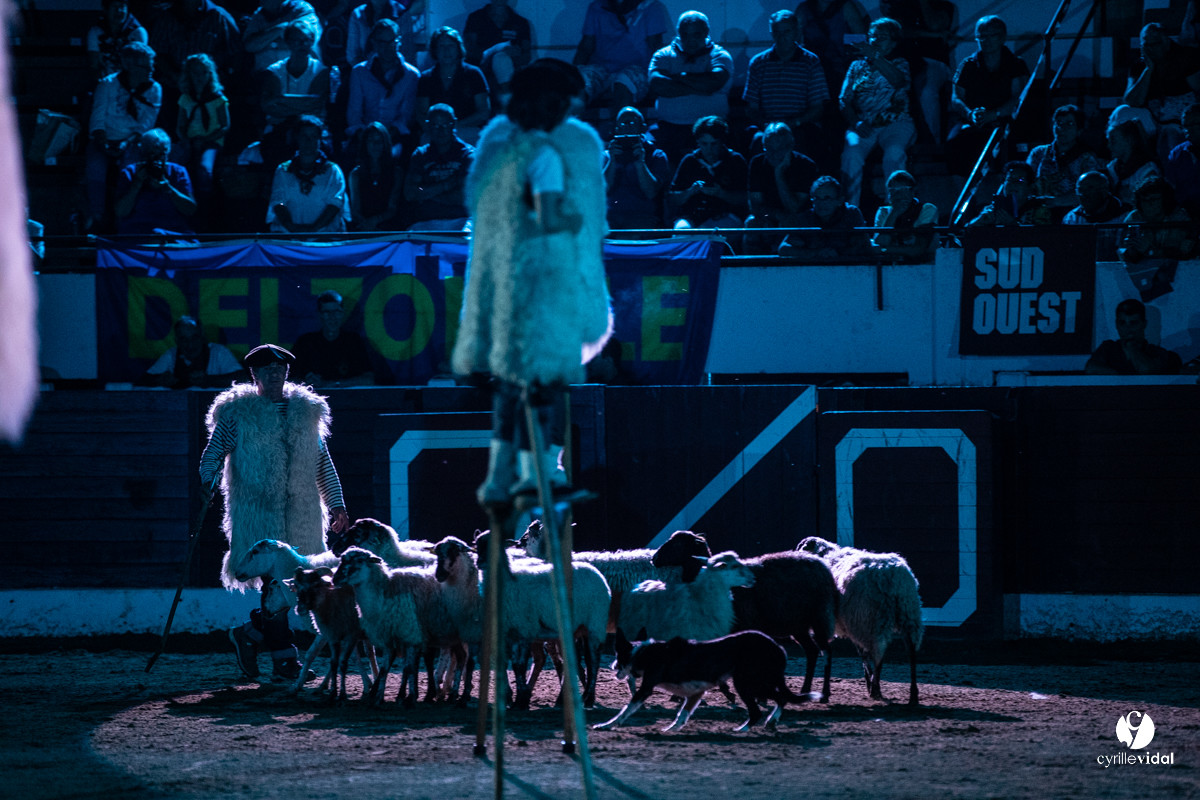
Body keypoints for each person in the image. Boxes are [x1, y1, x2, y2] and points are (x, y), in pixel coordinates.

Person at [452, 59, 611, 504]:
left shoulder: (578, 143)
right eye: (556, 100)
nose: (563, 108)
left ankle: (547, 461)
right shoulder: (500, 141)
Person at [200, 343, 350, 681]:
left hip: (302, 514)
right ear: (254, 374)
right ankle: (285, 660)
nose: (274, 374)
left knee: (291, 585)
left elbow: (322, 463)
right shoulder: (237, 415)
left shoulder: (305, 412)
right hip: (258, 514)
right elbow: (212, 455)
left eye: (279, 368)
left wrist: (336, 503)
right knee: (274, 585)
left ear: (287, 371)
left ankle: (250, 634)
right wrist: (207, 482)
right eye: (266, 369)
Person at [839, 17, 915, 209]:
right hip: (864, 122)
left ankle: (895, 211)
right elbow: (844, 100)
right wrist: (856, 123)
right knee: (851, 154)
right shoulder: (856, 66)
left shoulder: (900, 62)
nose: (875, 41)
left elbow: (899, 81)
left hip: (896, 122)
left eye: (882, 37)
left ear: (893, 42)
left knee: (894, 153)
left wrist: (877, 57)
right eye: (873, 36)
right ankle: (851, 211)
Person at [86, 41, 161, 231]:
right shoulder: (108, 84)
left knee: (129, 169)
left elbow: (146, 124)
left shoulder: (154, 89)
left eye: (151, 64)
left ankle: (126, 220)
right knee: (96, 169)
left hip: (133, 140)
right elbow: (98, 117)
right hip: (104, 139)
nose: (150, 69)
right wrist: (103, 142)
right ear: (129, 66)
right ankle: (97, 217)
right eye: (145, 65)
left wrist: (126, 143)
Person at [743, 10, 832, 169]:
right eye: (777, 32)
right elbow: (751, 108)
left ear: (797, 32)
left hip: (800, 126)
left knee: (803, 142)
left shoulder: (810, 62)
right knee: (758, 142)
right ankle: (759, 189)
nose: (781, 37)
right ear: (771, 33)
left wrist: (793, 123)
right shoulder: (758, 63)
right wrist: (768, 125)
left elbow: (817, 108)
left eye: (787, 31)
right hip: (767, 126)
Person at [647, 10, 734, 167]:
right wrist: (701, 86)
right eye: (685, 34)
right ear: (679, 33)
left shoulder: (720, 55)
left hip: (712, 128)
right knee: (648, 148)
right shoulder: (663, 55)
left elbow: (713, 83)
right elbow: (658, 85)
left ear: (706, 33)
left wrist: (679, 77)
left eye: (696, 34)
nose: (691, 40)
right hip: (669, 127)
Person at [947, 15, 1029, 175]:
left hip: (1005, 120)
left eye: (992, 35)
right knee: (954, 142)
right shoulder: (967, 65)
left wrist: (994, 114)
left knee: (1012, 146)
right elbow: (956, 98)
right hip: (974, 120)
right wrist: (970, 114)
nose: (986, 40)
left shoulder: (1016, 64)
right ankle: (967, 195)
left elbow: (1018, 98)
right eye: (981, 36)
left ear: (1003, 37)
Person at [1116, 23, 1200, 163]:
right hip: (1154, 116)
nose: (1151, 49)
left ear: (1166, 41)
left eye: (1155, 44)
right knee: (1122, 113)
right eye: (1146, 45)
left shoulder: (1186, 57)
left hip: (1181, 116)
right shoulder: (1139, 65)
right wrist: (1148, 70)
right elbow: (1132, 100)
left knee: (1171, 133)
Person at [572, 0, 671, 114]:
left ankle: (620, 129)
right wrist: (572, 76)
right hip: (602, 69)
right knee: (580, 84)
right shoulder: (597, 7)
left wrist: (657, 81)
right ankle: (573, 129)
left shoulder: (651, 7)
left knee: (624, 82)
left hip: (636, 70)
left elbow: (655, 47)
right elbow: (586, 47)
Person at [345, 18, 420, 158]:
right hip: (365, 134)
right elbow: (354, 112)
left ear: (399, 41)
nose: (387, 47)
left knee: (397, 157)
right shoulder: (359, 72)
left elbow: (406, 115)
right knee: (351, 156)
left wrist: (386, 138)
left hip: (395, 137)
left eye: (391, 42)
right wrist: (366, 136)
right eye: (381, 42)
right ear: (373, 42)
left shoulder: (411, 75)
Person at [267, 114, 350, 233]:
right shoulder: (283, 170)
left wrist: (313, 229)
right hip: (290, 238)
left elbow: (335, 204)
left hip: (324, 238)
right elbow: (278, 202)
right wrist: (292, 228)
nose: (308, 141)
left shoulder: (332, 170)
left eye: (313, 136)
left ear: (320, 140)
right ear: (297, 138)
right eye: (304, 136)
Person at [744, 121, 818, 254]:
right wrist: (775, 215)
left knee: (790, 223)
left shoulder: (806, 166)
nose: (773, 155)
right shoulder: (757, 163)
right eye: (769, 149)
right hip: (769, 215)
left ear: (790, 147)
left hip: (800, 218)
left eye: (779, 150)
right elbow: (755, 206)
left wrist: (779, 174)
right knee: (752, 223)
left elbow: (794, 207)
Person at [666, 115, 748, 231]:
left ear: (722, 142)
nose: (709, 149)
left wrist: (721, 194)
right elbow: (672, 198)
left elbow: (746, 198)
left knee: (705, 234)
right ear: (698, 142)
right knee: (681, 232)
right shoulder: (690, 161)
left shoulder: (735, 160)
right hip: (692, 215)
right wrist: (690, 192)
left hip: (726, 215)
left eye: (714, 144)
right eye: (704, 144)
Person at [414, 27, 491, 144]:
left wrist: (455, 126)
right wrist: (435, 129)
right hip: (435, 132)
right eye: (441, 46)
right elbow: (421, 113)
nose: (446, 51)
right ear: (435, 50)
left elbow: (484, 112)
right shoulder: (426, 78)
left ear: (458, 48)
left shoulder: (473, 74)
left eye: (450, 46)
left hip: (467, 130)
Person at [404, 104, 474, 231]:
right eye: (435, 125)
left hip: (460, 221)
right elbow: (411, 193)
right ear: (428, 126)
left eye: (445, 125)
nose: (440, 130)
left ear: (454, 124)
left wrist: (426, 193)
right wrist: (447, 185)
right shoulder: (420, 155)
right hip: (425, 222)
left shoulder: (468, 155)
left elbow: (464, 197)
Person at [175, 53, 230, 216]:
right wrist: (187, 140)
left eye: (203, 73)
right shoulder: (186, 98)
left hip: (211, 142)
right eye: (195, 73)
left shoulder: (218, 99)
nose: (199, 77)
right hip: (190, 141)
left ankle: (205, 210)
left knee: (204, 170)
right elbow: (181, 125)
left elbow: (225, 126)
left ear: (210, 74)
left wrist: (206, 140)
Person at [113, 128, 196, 236]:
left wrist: (168, 188)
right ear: (143, 153)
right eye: (151, 154)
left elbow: (190, 210)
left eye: (161, 154)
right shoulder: (130, 172)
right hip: (137, 233)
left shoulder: (178, 172)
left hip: (173, 232)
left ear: (168, 153)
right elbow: (120, 212)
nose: (156, 160)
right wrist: (136, 185)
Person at [603, 106, 671, 231]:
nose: (627, 126)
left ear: (643, 127)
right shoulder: (606, 156)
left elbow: (651, 192)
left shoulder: (657, 155)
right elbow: (602, 190)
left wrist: (640, 163)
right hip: (609, 217)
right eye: (623, 123)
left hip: (644, 216)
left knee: (633, 233)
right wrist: (612, 161)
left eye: (632, 122)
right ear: (616, 129)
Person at [1026, 104, 1102, 213]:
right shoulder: (1038, 153)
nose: (1062, 128)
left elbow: (1090, 192)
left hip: (1073, 215)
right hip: (1039, 213)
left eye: (1069, 124)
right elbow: (1026, 180)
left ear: (1079, 130)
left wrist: (1057, 201)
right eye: (1059, 123)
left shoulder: (1087, 158)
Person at [291, 290, 376, 386]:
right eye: (327, 312)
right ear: (319, 315)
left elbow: (369, 380)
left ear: (342, 313)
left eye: (336, 312)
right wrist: (307, 383)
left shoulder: (354, 341)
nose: (332, 317)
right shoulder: (305, 342)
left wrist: (333, 384)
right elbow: (288, 380)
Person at [261, 20, 333, 131]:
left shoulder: (320, 70)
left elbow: (315, 104)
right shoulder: (274, 71)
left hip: (311, 129)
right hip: (278, 128)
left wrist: (280, 99)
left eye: (306, 40)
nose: (303, 45)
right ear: (288, 42)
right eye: (297, 40)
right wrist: (303, 106)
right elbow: (268, 106)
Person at [778, 174, 868, 259]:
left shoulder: (851, 214)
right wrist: (816, 253)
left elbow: (864, 246)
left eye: (827, 198)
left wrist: (838, 252)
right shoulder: (805, 218)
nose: (821, 203)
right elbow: (783, 249)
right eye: (817, 198)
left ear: (839, 201)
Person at [1085, 298, 1182, 375]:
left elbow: (1148, 371)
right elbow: (1090, 369)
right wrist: (1120, 378)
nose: (1128, 329)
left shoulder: (1157, 352)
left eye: (1133, 323)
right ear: (1116, 325)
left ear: (1143, 324)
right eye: (1122, 323)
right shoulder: (1108, 348)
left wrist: (1132, 348)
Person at [141, 316, 242, 388]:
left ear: (202, 338)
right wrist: (160, 380)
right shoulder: (171, 355)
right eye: (184, 339)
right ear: (177, 341)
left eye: (194, 338)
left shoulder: (218, 352)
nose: (190, 345)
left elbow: (242, 378)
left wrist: (209, 380)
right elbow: (143, 380)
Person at [463, 0, 532, 103]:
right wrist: (496, 50)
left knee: (501, 59)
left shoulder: (520, 22)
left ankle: (508, 101)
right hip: (481, 77)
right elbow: (469, 50)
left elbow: (527, 55)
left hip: (510, 76)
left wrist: (516, 55)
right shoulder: (476, 18)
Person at [1118, 176, 1196, 264]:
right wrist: (1133, 251)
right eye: (1144, 200)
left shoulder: (1179, 217)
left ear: (1165, 200)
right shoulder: (1133, 218)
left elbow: (1181, 252)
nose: (1148, 204)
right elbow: (1123, 252)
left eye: (1153, 199)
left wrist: (1150, 250)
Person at [871, 169, 938, 261]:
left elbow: (918, 249)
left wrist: (884, 249)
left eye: (903, 189)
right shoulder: (884, 212)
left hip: (923, 266)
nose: (898, 194)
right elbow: (881, 241)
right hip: (889, 267)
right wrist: (894, 214)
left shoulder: (926, 209)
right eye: (893, 190)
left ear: (912, 191)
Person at [348, 121, 403, 231]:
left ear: (385, 144)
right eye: (371, 140)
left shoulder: (396, 172)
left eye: (379, 141)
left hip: (388, 229)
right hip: (363, 228)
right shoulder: (356, 174)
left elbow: (392, 208)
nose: (375, 145)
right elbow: (355, 210)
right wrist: (366, 224)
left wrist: (375, 221)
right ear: (365, 144)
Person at [242, 0, 322, 73]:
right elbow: (249, 46)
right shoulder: (259, 15)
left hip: (302, 76)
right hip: (267, 78)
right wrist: (280, 28)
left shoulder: (302, 9)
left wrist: (265, 42)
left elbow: (302, 42)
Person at [967, 160, 1053, 226]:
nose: (1013, 184)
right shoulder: (993, 209)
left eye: (1020, 180)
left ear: (1030, 186)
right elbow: (967, 234)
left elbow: (1042, 240)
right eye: (1009, 179)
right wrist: (980, 220)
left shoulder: (1040, 210)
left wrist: (1012, 225)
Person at [86, 0, 147, 82]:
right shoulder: (96, 31)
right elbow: (94, 65)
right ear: (106, 9)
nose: (118, 11)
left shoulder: (137, 32)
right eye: (114, 7)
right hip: (105, 82)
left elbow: (140, 64)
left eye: (122, 7)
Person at [1106, 119, 1162, 205]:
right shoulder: (1112, 167)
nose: (1109, 146)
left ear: (1129, 140)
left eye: (1113, 141)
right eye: (1108, 141)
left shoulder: (1146, 170)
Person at [1163, 103, 1200, 218]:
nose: (1188, 129)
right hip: (1186, 214)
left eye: (1194, 124)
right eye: (1185, 125)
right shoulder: (1176, 153)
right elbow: (1171, 187)